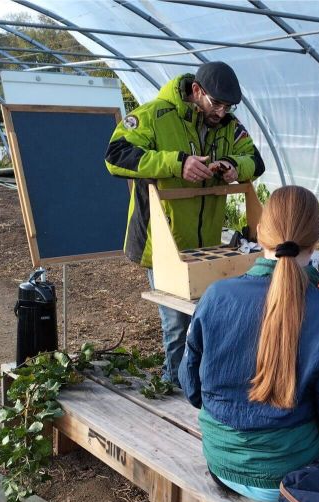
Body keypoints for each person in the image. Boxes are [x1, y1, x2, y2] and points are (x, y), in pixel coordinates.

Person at [177, 185, 319, 502]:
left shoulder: (215, 296)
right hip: (296, 476)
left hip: (222, 465)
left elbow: (192, 390)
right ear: (317, 241)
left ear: (259, 232)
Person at [104, 61, 265, 385]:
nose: (221, 112)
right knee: (176, 323)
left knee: (209, 317)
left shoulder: (229, 126)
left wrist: (235, 166)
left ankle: (202, 381)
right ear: (196, 91)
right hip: (164, 242)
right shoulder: (154, 115)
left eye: (228, 106)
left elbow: (255, 160)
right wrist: (177, 164)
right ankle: (174, 385)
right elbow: (115, 156)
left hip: (206, 244)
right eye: (216, 103)